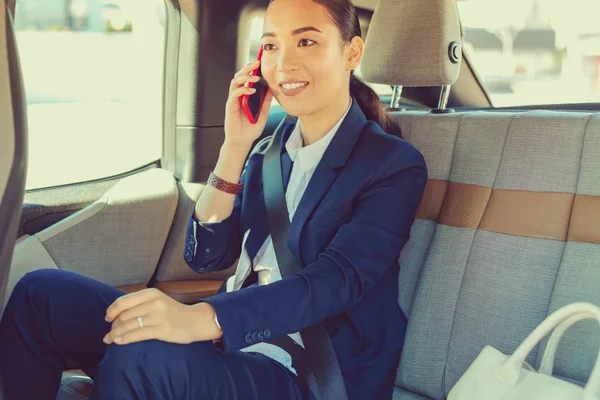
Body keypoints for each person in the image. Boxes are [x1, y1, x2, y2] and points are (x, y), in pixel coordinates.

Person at [0, 0, 427, 398]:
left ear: (352, 53)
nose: (284, 62)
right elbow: (205, 256)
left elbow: (336, 282)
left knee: (139, 356)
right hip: (232, 345)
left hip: (309, 371)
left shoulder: (392, 164)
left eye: (306, 41)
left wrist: (203, 318)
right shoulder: (268, 150)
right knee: (42, 294)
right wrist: (235, 147)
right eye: (271, 45)